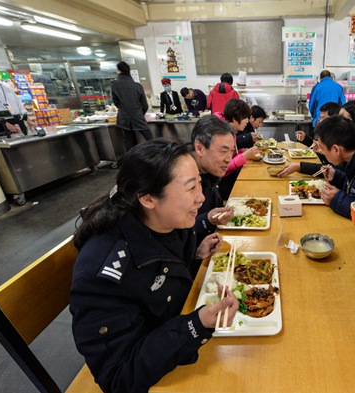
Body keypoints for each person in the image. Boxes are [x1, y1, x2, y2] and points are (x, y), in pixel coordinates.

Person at [70, 139, 238, 393]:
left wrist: (194, 257)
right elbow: (118, 377)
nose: (201, 198)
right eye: (191, 188)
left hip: (171, 335)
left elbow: (164, 274)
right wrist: (196, 325)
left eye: (200, 185)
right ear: (148, 198)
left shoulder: (168, 223)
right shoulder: (102, 274)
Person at [190, 115, 235, 244]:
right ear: (199, 148)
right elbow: (174, 232)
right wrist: (207, 219)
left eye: (231, 151)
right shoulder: (181, 178)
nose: (229, 159)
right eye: (223, 151)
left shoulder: (210, 172)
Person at [218, 98, 259, 200]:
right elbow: (222, 168)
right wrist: (244, 156)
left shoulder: (231, 131)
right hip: (223, 184)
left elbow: (232, 154)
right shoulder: (222, 134)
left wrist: (242, 152)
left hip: (230, 178)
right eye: (245, 117)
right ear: (235, 119)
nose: (247, 121)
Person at [111, 61, 152, 151]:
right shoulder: (137, 86)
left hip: (124, 117)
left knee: (128, 141)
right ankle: (160, 157)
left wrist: (123, 110)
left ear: (119, 71)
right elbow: (145, 105)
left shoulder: (114, 84)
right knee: (150, 138)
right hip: (137, 115)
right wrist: (139, 113)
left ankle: (131, 161)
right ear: (129, 71)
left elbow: (116, 102)